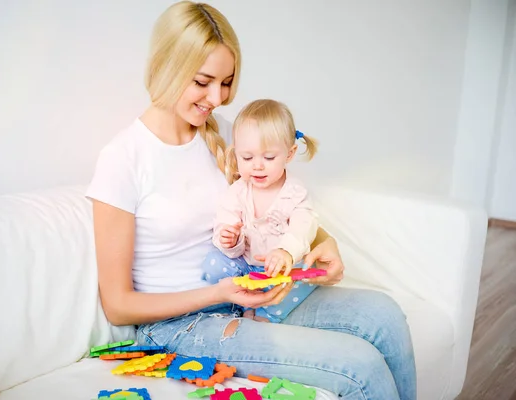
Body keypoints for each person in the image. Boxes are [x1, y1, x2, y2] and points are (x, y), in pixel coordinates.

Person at [86, 2, 416, 399]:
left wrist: (323, 243)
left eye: (226, 82)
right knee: (358, 365)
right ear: (166, 66)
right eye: (203, 81)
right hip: (182, 326)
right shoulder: (122, 159)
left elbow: (277, 205)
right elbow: (119, 306)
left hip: (250, 294)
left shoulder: (225, 134)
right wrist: (220, 293)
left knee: (385, 316)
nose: (217, 97)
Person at [202, 99, 321, 323]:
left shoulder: (295, 192)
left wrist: (286, 252)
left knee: (299, 277)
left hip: (279, 268)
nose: (257, 165)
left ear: (289, 153)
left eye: (268, 158)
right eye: (247, 158)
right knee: (213, 263)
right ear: (236, 153)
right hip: (247, 265)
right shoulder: (237, 192)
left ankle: (266, 313)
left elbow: (303, 228)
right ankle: (235, 304)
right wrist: (230, 239)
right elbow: (225, 225)